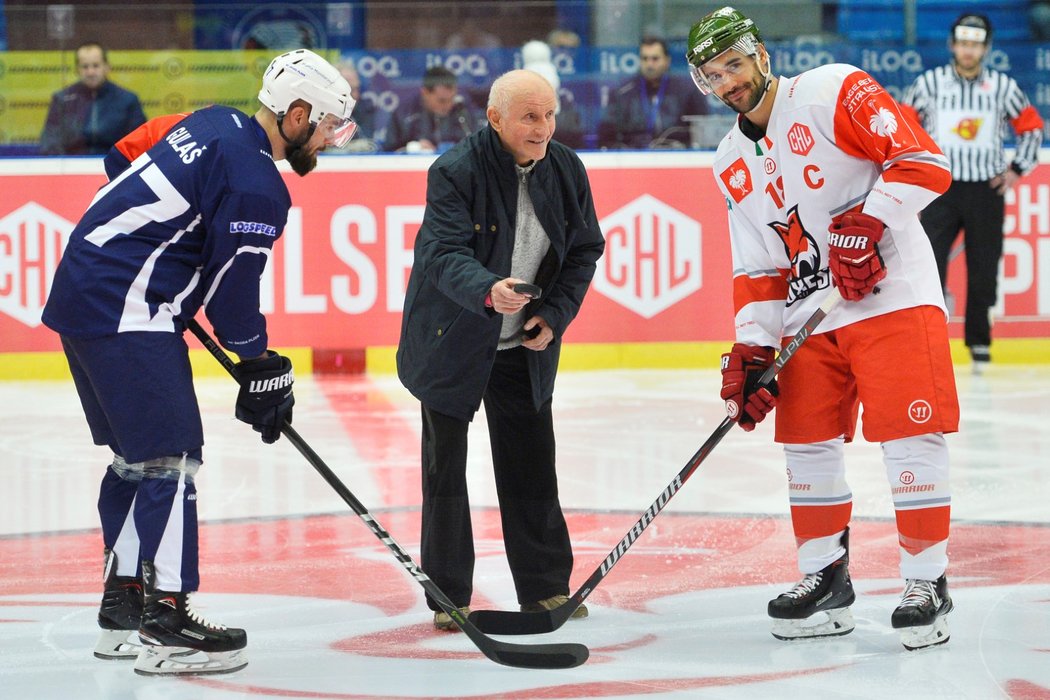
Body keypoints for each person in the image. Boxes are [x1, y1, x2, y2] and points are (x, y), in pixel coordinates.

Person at [41, 48, 356, 675]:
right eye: (326, 126)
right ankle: (168, 623)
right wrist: (257, 360)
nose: (330, 140)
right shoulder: (256, 181)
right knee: (169, 460)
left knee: (137, 460)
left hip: (84, 292)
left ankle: (123, 609)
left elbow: (122, 157)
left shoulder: (206, 121)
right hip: (126, 307)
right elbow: (233, 292)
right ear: (296, 115)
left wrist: (156, 253)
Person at [686, 7, 961, 651]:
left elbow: (922, 161)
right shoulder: (730, 159)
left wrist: (868, 221)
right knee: (805, 443)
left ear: (759, 54)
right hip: (807, 317)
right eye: (712, 75)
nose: (728, 82)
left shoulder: (831, 88)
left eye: (734, 64)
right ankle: (824, 578)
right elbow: (757, 266)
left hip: (892, 297)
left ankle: (927, 582)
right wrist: (752, 351)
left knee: (908, 434)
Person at [396, 69, 605, 631]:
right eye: (530, 117)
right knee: (446, 470)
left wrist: (554, 314)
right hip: (453, 339)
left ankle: (544, 590)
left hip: (524, 343)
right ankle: (449, 596)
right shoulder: (456, 170)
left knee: (533, 464)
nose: (544, 128)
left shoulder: (565, 169)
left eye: (550, 115)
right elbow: (439, 253)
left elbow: (585, 249)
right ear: (495, 119)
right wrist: (487, 290)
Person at [900, 14, 1044, 373]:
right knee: (929, 267)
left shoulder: (1003, 87)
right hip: (940, 190)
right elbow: (902, 128)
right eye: (963, 43)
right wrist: (914, 177)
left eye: (975, 44)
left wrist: (1017, 170)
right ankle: (926, 341)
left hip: (985, 191)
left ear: (986, 48)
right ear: (953, 45)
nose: (968, 50)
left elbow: (1032, 128)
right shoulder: (928, 84)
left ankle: (979, 344)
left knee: (983, 267)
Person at [598, 36, 709, 149]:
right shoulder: (622, 92)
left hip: (677, 157)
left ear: (667, 60)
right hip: (633, 158)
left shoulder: (687, 90)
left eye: (655, 59)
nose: (649, 65)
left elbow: (703, 130)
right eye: (644, 59)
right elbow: (606, 136)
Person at [39, 42, 147, 155]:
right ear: (77, 69)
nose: (90, 72)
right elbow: (50, 143)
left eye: (96, 65)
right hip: (73, 168)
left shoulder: (127, 100)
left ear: (106, 67)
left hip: (116, 168)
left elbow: (139, 144)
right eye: (85, 66)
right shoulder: (62, 100)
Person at [383, 66, 477, 153]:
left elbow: (479, 145)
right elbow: (387, 153)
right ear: (425, 92)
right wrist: (413, 148)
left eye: (452, 99)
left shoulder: (463, 111)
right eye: (442, 100)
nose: (448, 105)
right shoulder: (404, 114)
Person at [335, 58, 380, 152]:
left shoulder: (365, 111)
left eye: (356, 89)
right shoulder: (320, 116)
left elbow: (371, 145)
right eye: (350, 90)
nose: (355, 95)